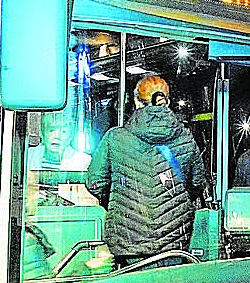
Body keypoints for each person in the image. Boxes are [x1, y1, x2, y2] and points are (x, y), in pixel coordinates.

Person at [86, 74, 208, 268]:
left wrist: (122, 198)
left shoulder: (115, 138)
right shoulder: (185, 138)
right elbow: (197, 184)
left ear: (135, 100)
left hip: (128, 243)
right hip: (174, 243)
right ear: (167, 101)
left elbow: (94, 182)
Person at [26, 114, 91, 171]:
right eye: (51, 130)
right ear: (42, 134)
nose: (57, 136)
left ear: (71, 136)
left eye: (64, 132)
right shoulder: (28, 156)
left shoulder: (83, 160)